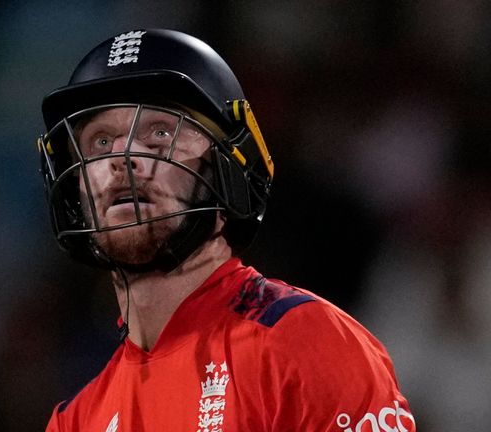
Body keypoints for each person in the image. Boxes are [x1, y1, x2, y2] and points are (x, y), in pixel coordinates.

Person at [37, 28, 416, 432]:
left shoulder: (303, 342)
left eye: (160, 133)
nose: (123, 158)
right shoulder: (75, 421)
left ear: (227, 170)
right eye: (99, 141)